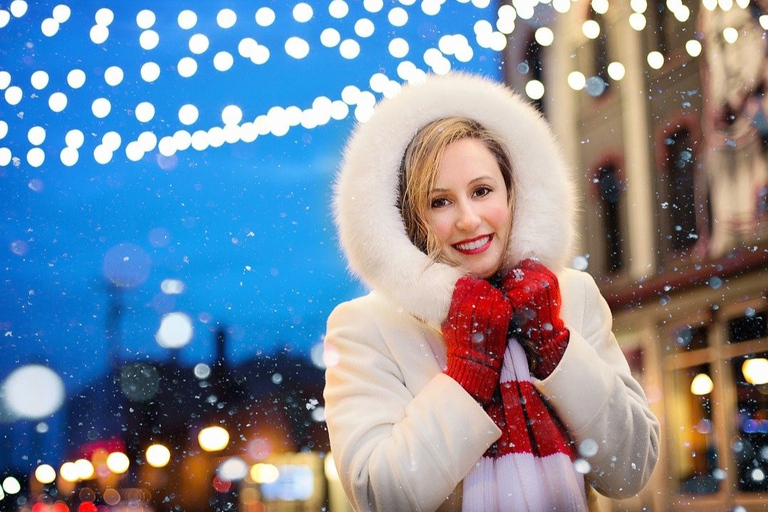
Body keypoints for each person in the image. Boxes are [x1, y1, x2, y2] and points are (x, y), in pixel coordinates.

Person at [323, 72, 659, 512]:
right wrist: (468, 371)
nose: (468, 219)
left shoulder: (571, 295)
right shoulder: (366, 326)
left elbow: (629, 468)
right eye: (439, 201)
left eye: (482, 191)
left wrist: (553, 344)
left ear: (511, 193)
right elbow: (383, 494)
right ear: (409, 217)